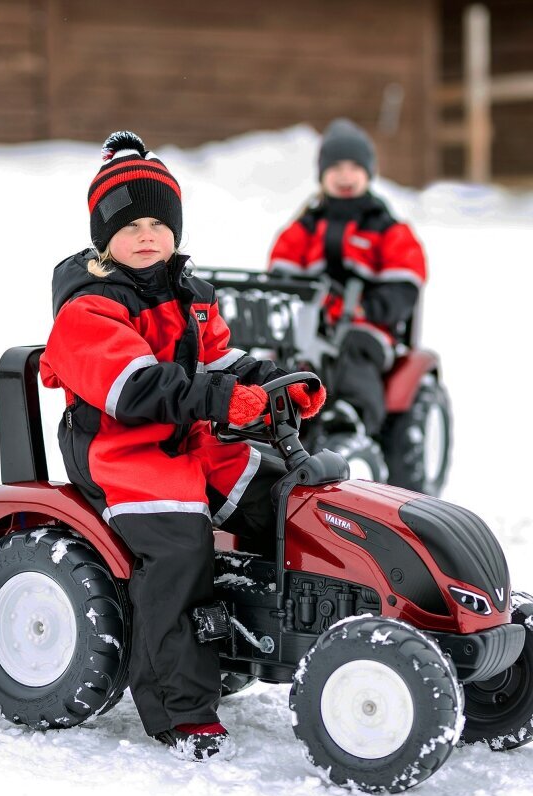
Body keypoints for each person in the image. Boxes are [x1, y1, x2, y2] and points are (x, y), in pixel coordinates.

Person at [39, 131, 326, 762]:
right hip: (124, 449)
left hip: (192, 439)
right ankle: (179, 706)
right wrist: (218, 398)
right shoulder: (87, 307)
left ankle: (276, 628)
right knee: (177, 542)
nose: (147, 234)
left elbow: (223, 359)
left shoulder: (190, 295)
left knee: (284, 495)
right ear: (102, 237)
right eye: (130, 223)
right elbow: (134, 387)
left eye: (158, 223)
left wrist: (271, 385)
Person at [268, 118, 426, 437]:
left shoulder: (389, 229)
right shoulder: (303, 229)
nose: (345, 176)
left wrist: (370, 309)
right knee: (282, 357)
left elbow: (404, 281)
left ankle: (353, 416)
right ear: (322, 175)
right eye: (336, 167)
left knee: (353, 351)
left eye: (354, 167)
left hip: (367, 327)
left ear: (368, 173)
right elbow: (280, 278)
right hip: (310, 325)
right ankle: (277, 418)